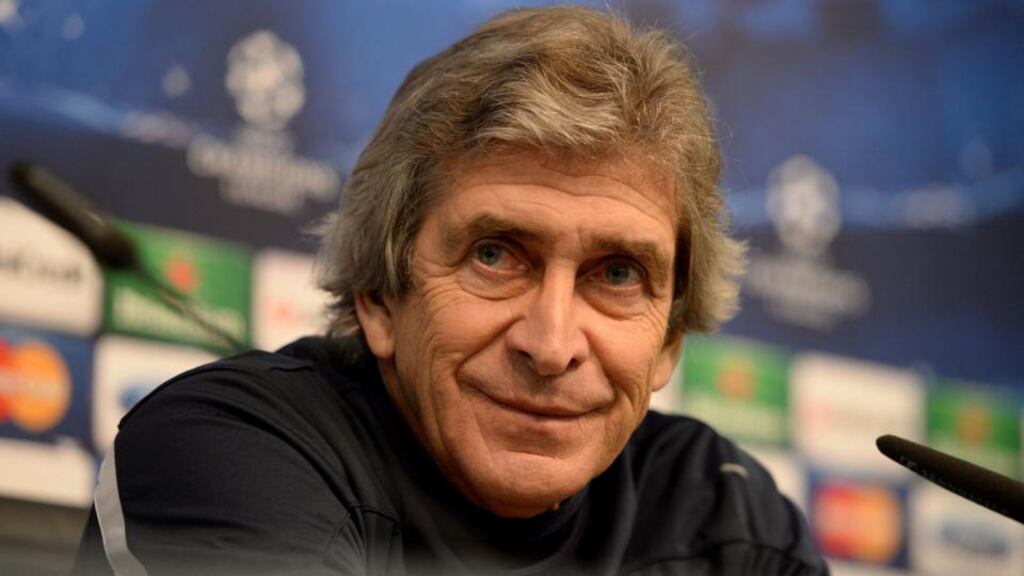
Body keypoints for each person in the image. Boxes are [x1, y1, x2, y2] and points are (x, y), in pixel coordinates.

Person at [74, 6, 827, 575]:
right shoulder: (226, 451)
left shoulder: (725, 519)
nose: (551, 344)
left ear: (668, 338)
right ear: (379, 294)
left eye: (618, 275)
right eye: (496, 255)